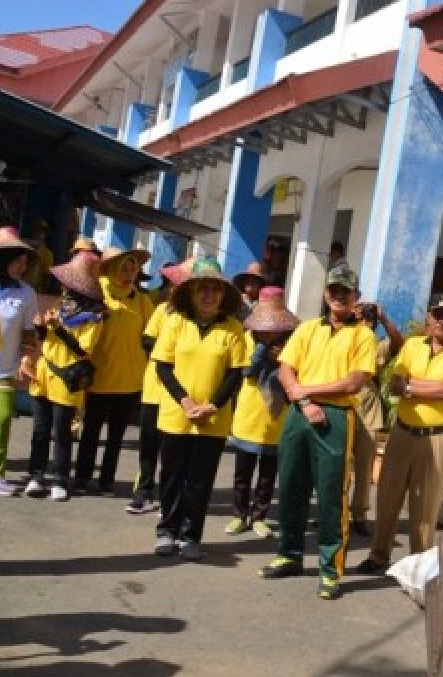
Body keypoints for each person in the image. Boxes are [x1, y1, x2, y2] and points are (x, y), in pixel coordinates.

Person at [260, 265, 377, 601]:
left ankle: (330, 569)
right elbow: (285, 368)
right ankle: (290, 554)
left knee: (331, 494)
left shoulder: (364, 336)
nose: (339, 296)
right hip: (299, 414)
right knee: (292, 484)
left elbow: (355, 381)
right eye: (334, 290)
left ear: (356, 297)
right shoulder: (308, 328)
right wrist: (302, 398)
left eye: (346, 291)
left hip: (337, 416)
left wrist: (305, 391)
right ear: (326, 293)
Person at [356, 294, 443, 574]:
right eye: (437, 314)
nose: (441, 321)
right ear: (428, 318)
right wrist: (428, 387)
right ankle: (378, 555)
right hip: (403, 431)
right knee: (387, 496)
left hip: (437, 436)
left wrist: (414, 387)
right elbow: (397, 383)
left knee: (425, 505)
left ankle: (419, 565)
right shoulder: (412, 345)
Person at [150, 258, 249, 561]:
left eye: (214, 290)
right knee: (172, 475)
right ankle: (167, 530)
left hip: (213, 418)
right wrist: (186, 401)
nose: (208, 295)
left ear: (223, 295)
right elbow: (164, 367)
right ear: (191, 293)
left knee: (200, 479)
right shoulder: (175, 322)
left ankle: (191, 535)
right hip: (176, 414)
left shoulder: (233, 328)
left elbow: (235, 374)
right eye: (202, 289)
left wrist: (212, 406)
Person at [26, 248, 106, 502]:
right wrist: (41, 328)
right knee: (40, 429)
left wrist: (58, 330)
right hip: (44, 372)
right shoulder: (61, 304)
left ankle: (60, 479)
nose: (66, 285)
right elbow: (45, 338)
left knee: (62, 430)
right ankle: (36, 476)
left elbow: (83, 349)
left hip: (68, 376)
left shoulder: (94, 316)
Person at [73, 246, 154, 496]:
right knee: (91, 431)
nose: (129, 273)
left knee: (117, 435)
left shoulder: (141, 300)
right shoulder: (98, 295)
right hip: (100, 377)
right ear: (110, 269)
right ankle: (83, 477)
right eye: (124, 268)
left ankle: (107, 480)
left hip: (131, 379)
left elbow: (151, 336)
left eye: (133, 268)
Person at [224, 288, 299, 537]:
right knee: (242, 473)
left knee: (268, 475)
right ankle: (238, 514)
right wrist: (262, 349)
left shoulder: (292, 343)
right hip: (249, 415)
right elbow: (246, 372)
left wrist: (280, 357)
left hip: (277, 418)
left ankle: (259, 516)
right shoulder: (245, 338)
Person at [0, 226, 39, 495]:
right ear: (3, 259)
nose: (24, 266)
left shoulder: (26, 294)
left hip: (4, 370)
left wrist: (26, 359)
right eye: (19, 260)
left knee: (0, 420)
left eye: (26, 261)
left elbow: (28, 334)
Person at [126, 259, 190, 515]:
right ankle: (143, 491)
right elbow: (146, 340)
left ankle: (169, 496)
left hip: (181, 393)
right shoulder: (162, 310)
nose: (172, 289)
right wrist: (170, 351)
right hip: (154, 388)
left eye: (177, 285)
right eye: (173, 285)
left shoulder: (196, 319)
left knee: (173, 449)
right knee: (148, 444)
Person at [348, 299, 404, 537]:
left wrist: (383, 317)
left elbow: (398, 342)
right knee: (338, 466)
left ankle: (359, 514)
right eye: (361, 316)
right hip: (344, 400)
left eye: (368, 318)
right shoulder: (345, 338)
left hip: (368, 406)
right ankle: (333, 512)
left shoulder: (378, 345)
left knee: (364, 467)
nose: (364, 321)